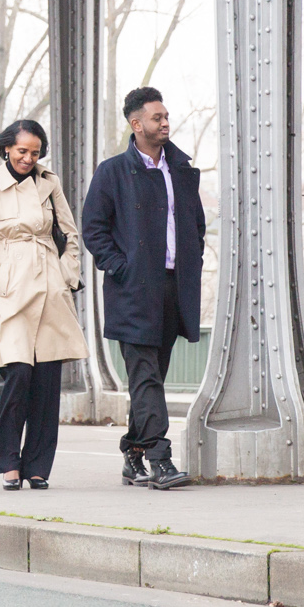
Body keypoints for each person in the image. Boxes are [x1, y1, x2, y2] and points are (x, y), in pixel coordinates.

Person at [82, 88, 203, 490]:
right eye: (157, 118)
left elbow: (196, 227)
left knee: (152, 378)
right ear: (137, 125)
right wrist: (121, 268)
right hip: (132, 291)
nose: (165, 123)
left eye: (167, 116)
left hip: (173, 287)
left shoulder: (181, 170)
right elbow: (93, 229)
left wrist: (192, 262)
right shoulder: (113, 171)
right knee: (146, 376)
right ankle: (160, 460)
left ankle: (133, 452)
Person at [0, 119, 84, 490]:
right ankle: (7, 461)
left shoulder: (49, 183)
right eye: (22, 151)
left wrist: (68, 276)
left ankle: (38, 467)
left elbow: (69, 233)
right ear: (6, 149)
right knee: (18, 375)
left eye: (35, 152)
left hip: (50, 285)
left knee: (48, 382)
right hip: (12, 289)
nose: (28, 158)